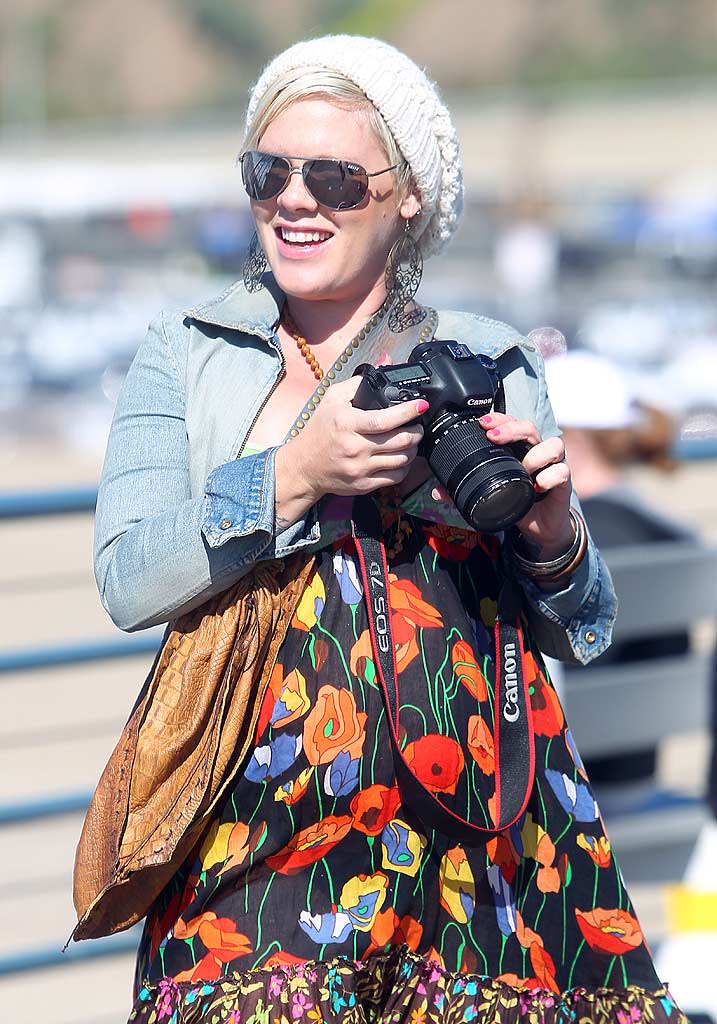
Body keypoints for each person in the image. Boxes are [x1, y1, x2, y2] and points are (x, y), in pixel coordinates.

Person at [92, 36, 686, 1024]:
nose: (294, 198)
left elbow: (583, 622)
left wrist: (549, 530)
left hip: (483, 824)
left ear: (406, 194)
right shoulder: (187, 352)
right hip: (262, 834)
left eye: (332, 175)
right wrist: (296, 475)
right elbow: (128, 577)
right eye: (267, 171)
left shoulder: (487, 357)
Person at [544, 350, 694, 808]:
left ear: (562, 436)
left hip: (575, 791)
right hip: (640, 785)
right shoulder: (670, 535)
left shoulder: (585, 543)